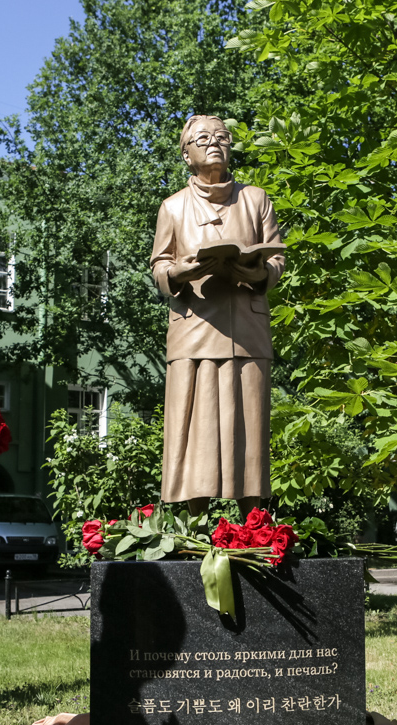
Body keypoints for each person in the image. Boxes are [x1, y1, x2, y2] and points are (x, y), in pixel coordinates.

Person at [150, 114, 284, 517]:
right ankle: (194, 524)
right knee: (196, 428)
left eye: (222, 138)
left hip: (247, 328)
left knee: (250, 427)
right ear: (186, 154)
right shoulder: (173, 207)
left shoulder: (256, 199)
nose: (215, 144)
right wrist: (180, 272)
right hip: (195, 328)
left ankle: (254, 524)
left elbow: (276, 258)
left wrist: (258, 271)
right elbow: (159, 266)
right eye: (203, 138)